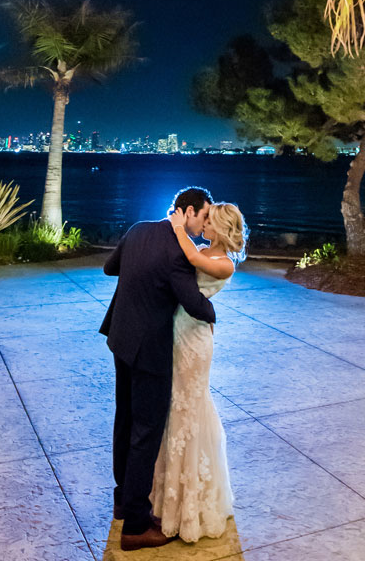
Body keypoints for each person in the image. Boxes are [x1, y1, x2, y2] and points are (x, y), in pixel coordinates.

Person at [99, 186, 217, 552]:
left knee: (126, 419)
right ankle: (135, 524)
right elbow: (193, 302)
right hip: (149, 349)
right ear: (187, 211)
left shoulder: (137, 230)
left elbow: (109, 268)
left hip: (120, 337)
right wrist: (214, 315)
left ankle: (122, 499)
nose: (205, 222)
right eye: (204, 215)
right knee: (145, 433)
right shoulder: (177, 253)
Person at [151, 202, 248, 543]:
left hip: (194, 339)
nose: (203, 224)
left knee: (189, 407)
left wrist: (177, 225)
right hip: (180, 330)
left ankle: (191, 503)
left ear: (218, 228)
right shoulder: (205, 248)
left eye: (209, 221)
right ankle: (169, 492)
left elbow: (193, 262)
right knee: (174, 405)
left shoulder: (224, 264)